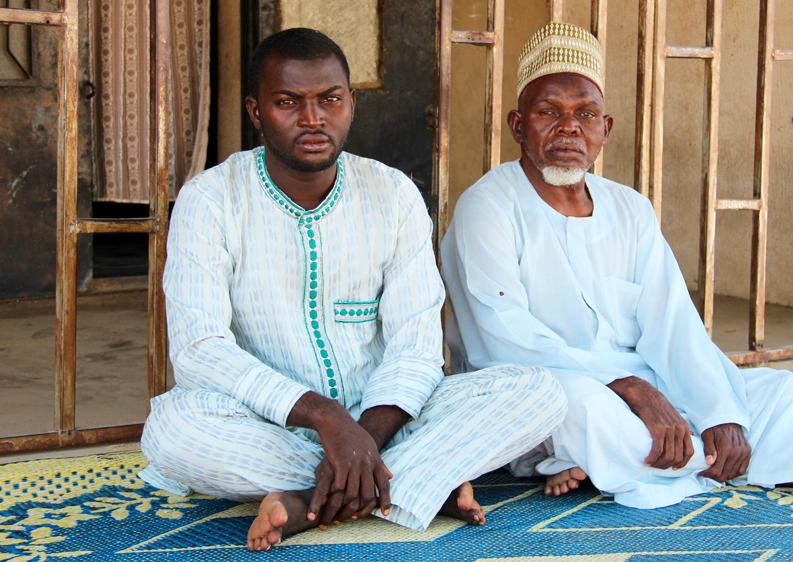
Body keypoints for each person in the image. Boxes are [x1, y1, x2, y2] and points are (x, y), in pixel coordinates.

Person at [139, 28, 567, 552]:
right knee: (170, 432)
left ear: (351, 102)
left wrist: (363, 435)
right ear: (256, 112)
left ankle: (307, 500)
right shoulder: (210, 199)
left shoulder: (393, 193)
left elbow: (416, 346)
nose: (313, 119)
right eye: (288, 102)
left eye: (330, 100)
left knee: (539, 390)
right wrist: (325, 418)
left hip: (386, 420)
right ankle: (406, 484)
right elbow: (200, 352)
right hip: (269, 421)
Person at [441, 22, 793, 510]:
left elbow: (672, 323)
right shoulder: (488, 206)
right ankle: (760, 464)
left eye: (585, 114)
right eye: (548, 112)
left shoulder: (631, 208)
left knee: (786, 391)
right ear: (518, 125)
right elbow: (505, 336)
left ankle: (659, 462)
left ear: (604, 130)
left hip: (641, 382)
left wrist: (718, 412)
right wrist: (630, 388)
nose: (569, 128)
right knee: (584, 409)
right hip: (542, 382)